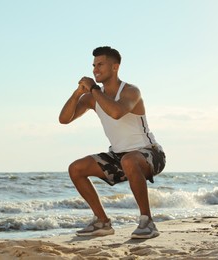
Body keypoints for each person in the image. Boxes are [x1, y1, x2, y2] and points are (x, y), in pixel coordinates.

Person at [58, 46, 166, 239]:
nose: (95, 69)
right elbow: (64, 119)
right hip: (119, 156)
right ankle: (102, 222)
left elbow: (116, 112)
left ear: (115, 67)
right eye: (93, 65)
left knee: (130, 160)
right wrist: (77, 94)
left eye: (100, 64)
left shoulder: (131, 91)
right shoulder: (93, 97)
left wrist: (93, 89)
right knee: (76, 168)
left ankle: (147, 222)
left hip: (150, 153)